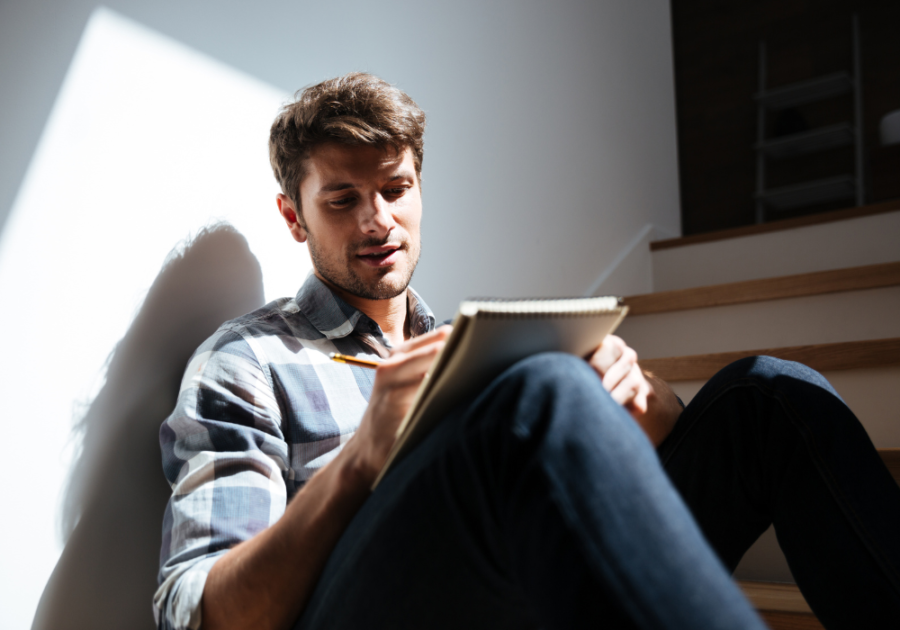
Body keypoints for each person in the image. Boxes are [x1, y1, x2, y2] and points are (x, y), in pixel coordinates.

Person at [154, 73, 900, 630]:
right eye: (342, 199)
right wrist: (360, 461)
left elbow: (663, 435)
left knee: (765, 395)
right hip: (380, 606)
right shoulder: (246, 361)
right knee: (539, 391)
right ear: (294, 216)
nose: (378, 220)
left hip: (525, 581)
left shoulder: (471, 345)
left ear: (420, 187)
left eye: (395, 188)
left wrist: (639, 396)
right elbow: (197, 608)